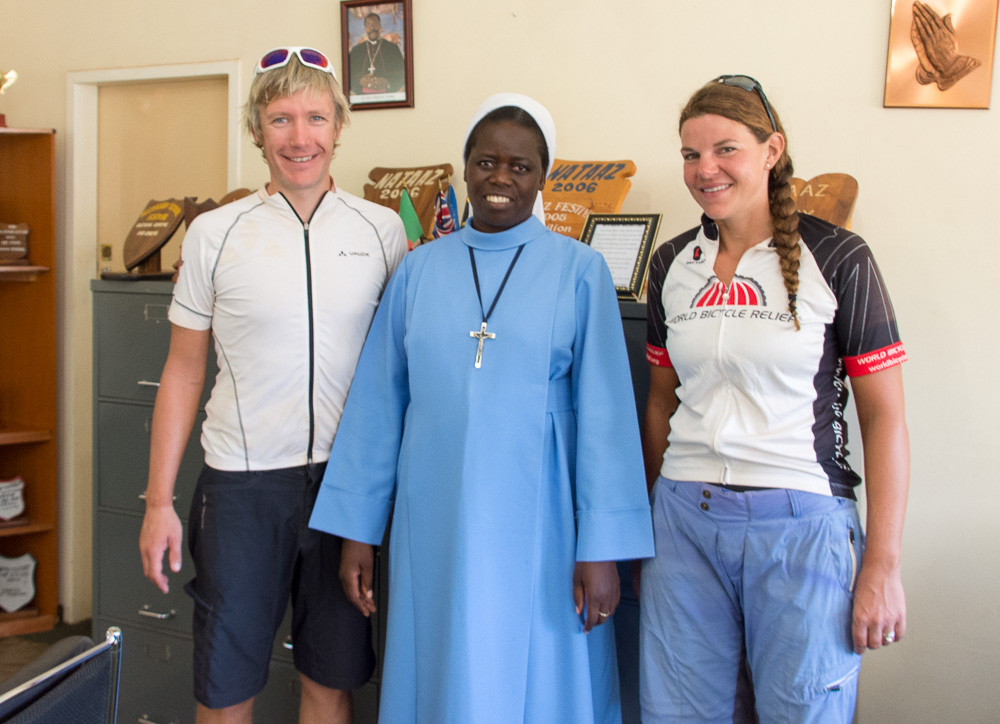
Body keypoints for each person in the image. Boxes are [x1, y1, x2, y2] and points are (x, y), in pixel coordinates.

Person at [309, 93, 655, 723]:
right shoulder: (418, 272)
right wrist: (358, 530)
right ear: (464, 168)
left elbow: (606, 420)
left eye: (520, 166)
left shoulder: (579, 271)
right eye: (486, 162)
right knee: (443, 668)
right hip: (434, 519)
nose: (501, 178)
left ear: (542, 178)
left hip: (546, 527)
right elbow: (379, 407)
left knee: (540, 678)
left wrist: (602, 546)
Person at [138, 46, 407, 724]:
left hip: (344, 491)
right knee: (227, 689)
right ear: (257, 129)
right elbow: (182, 370)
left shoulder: (380, 233)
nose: (299, 137)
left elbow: (397, 372)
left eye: (315, 118)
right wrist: (158, 502)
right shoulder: (214, 234)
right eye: (280, 119)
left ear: (339, 127)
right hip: (243, 486)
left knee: (331, 679)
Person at [638, 75, 910, 723]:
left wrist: (882, 565)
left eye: (725, 149)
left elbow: (885, 415)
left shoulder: (839, 257)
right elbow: (658, 403)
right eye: (690, 154)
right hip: (684, 526)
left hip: (802, 527)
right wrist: (650, 515)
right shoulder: (673, 263)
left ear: (772, 150)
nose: (705, 170)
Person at [348, 12, 406, 96]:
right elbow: (349, 76)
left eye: (375, 24)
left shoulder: (393, 48)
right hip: (362, 98)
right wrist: (360, 81)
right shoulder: (356, 51)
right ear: (365, 28)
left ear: (380, 26)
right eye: (368, 25)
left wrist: (387, 82)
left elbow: (401, 74)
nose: (372, 28)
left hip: (388, 96)